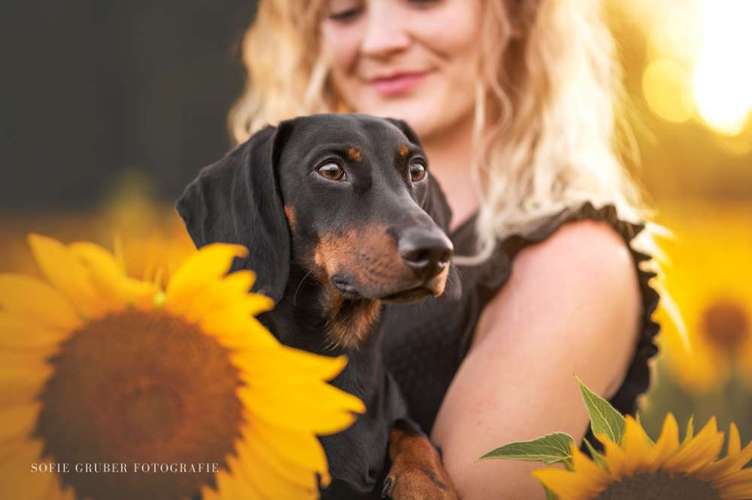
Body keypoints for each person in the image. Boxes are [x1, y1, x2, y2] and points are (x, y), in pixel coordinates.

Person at [229, 1, 661, 498]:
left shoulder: (572, 260)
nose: (380, 40)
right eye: (345, 11)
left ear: (516, 15)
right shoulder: (281, 242)